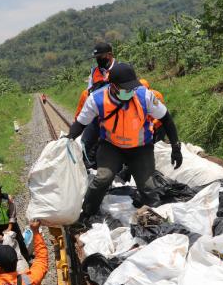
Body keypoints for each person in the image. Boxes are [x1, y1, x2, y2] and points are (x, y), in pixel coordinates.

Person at [67, 63, 183, 218]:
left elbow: (166, 119)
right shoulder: (97, 99)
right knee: (103, 179)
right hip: (111, 146)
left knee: (148, 187)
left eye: (132, 88)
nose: (130, 92)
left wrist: (176, 147)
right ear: (113, 87)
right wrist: (67, 140)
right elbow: (81, 124)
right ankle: (87, 214)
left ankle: (156, 218)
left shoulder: (144, 96)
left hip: (141, 148)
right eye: (125, 89)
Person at [73, 42, 117, 168]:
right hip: (97, 115)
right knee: (86, 142)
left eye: (100, 57)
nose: (98, 60)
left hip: (115, 115)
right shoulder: (94, 72)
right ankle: (89, 169)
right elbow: (89, 94)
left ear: (109, 55)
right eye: (96, 58)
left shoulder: (121, 69)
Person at [0, 182, 30, 261]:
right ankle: (9, 263)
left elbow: (12, 213)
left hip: (11, 224)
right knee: (2, 246)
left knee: (20, 241)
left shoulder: (7, 198)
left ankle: (26, 259)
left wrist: (10, 227)